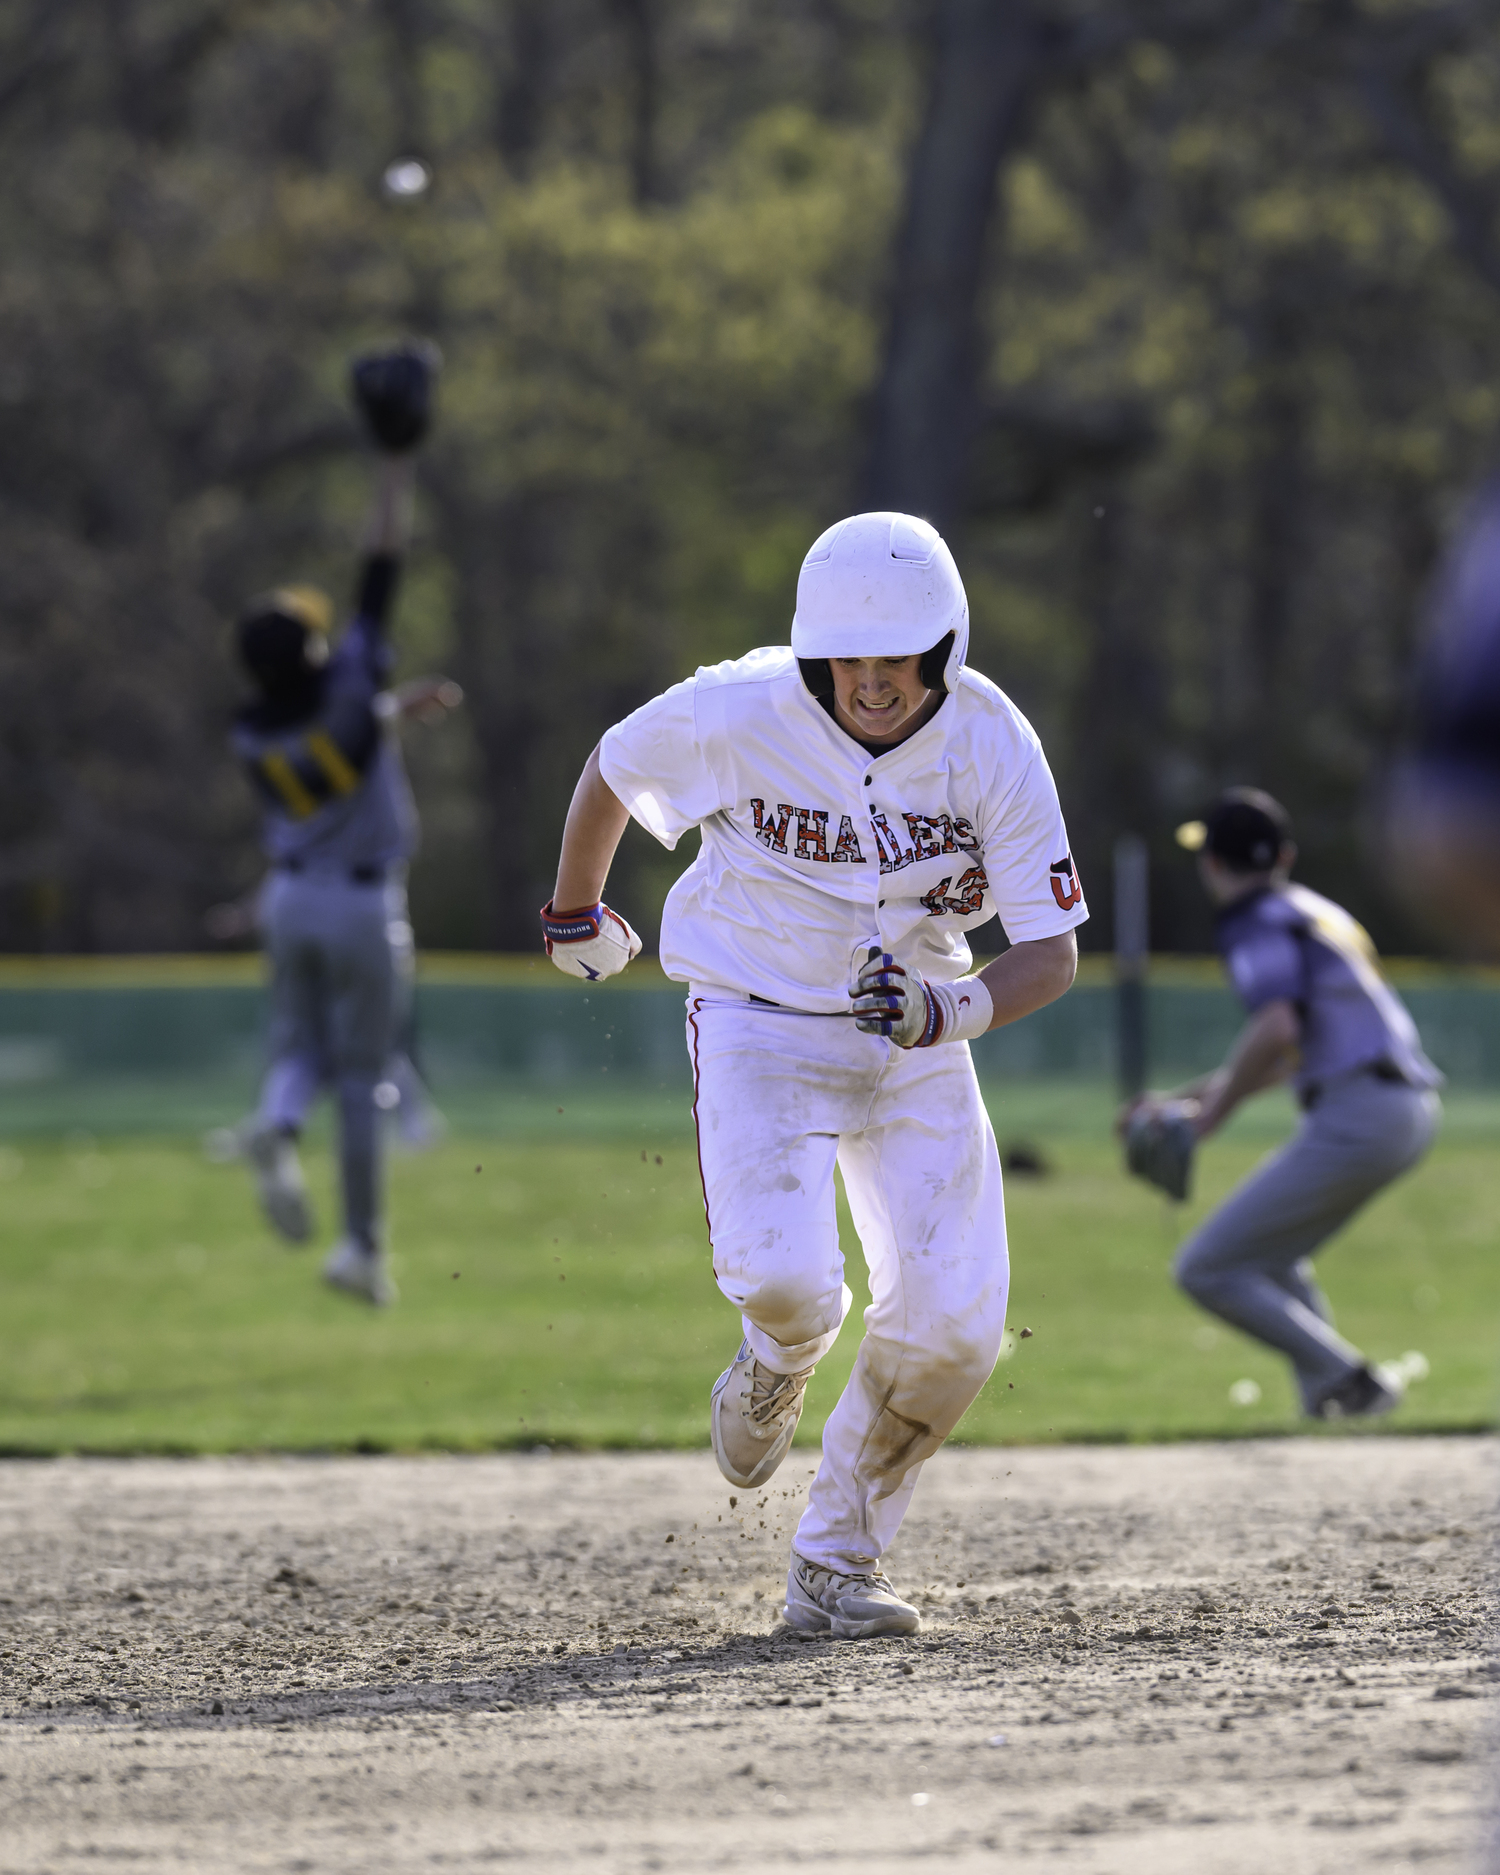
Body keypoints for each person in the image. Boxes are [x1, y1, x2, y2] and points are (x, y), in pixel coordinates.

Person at [542, 511, 1087, 1639]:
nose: (872, 680)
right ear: (811, 650)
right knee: (794, 1285)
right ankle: (775, 1357)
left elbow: (1051, 952)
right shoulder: (741, 706)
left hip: (919, 1035)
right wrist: (572, 910)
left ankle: (835, 1566)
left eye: (898, 658)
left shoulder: (993, 742)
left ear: (943, 652)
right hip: (754, 1018)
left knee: (957, 1329)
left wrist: (952, 1008)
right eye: (849, 655)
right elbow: (614, 766)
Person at [231, 343, 457, 1305]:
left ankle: (276, 1125)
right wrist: (395, 461)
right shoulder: (354, 693)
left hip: (287, 894)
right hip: (365, 907)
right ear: (317, 653)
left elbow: (346, 730)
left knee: (298, 1047)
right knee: (364, 1075)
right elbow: (380, 566)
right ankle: (361, 1246)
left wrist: (392, 709)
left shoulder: (253, 731)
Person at [1130, 787, 1441, 1418]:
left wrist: (1208, 1117)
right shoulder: (1315, 911)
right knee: (1271, 1257)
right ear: (1286, 856)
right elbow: (1288, 1051)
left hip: (1360, 1114)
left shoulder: (1253, 919)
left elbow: (1277, 1031)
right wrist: (1182, 1101)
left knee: (1205, 1268)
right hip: (1397, 1106)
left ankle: (1354, 1383)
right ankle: (1328, 1404)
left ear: (1212, 864)